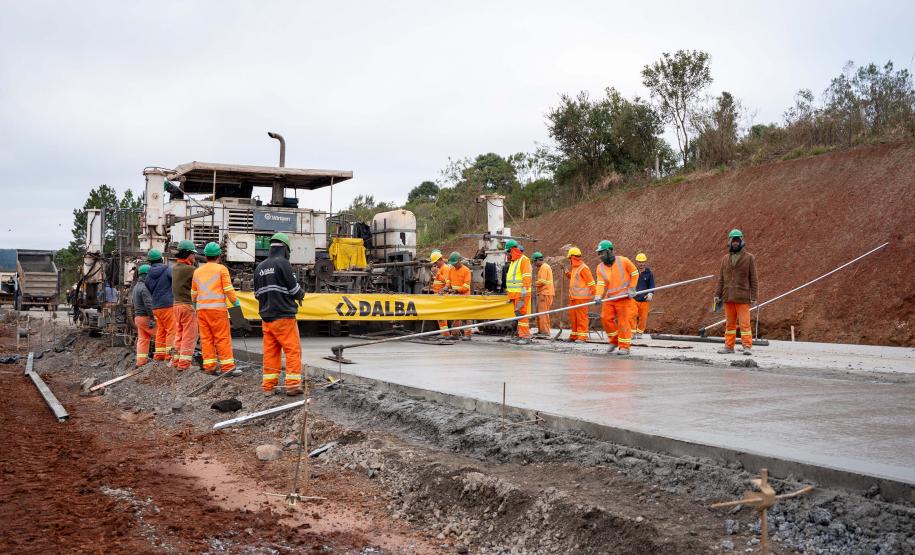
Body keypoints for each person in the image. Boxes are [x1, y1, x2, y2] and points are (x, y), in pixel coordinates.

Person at [254, 233, 305, 396]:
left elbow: (257, 294)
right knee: (292, 350)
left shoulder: (260, 267)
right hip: (284, 317)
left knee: (271, 352)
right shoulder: (284, 264)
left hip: (266, 319)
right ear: (285, 249)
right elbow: (295, 290)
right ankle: (292, 385)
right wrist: (301, 294)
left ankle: (268, 386)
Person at [191, 242, 239, 375]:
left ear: (205, 256)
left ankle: (210, 367)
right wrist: (235, 303)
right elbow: (228, 289)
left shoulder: (197, 271)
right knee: (222, 338)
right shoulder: (221, 269)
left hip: (202, 310)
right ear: (219, 255)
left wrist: (196, 303)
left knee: (206, 339)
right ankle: (227, 367)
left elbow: (194, 295)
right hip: (217, 311)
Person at [715, 229, 758, 356]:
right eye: (733, 240)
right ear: (729, 242)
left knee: (745, 324)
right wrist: (717, 295)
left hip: (742, 297)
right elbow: (721, 279)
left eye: (737, 240)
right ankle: (729, 346)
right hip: (728, 297)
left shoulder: (749, 258)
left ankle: (747, 346)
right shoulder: (724, 259)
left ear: (741, 241)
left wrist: (754, 296)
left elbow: (754, 279)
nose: (735, 243)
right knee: (730, 324)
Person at [594, 240, 639, 355]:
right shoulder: (600, 267)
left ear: (609, 251)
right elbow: (600, 283)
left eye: (602, 253)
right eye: (598, 253)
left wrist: (632, 288)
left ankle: (624, 347)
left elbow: (634, 273)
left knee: (623, 323)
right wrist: (598, 295)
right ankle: (614, 341)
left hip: (624, 298)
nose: (600, 256)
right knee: (605, 318)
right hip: (610, 298)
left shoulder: (623, 261)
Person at [145, 248, 176, 362]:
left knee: (161, 331)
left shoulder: (148, 276)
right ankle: (170, 356)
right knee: (172, 330)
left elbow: (149, 289)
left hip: (156, 307)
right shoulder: (167, 269)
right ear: (161, 259)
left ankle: (159, 356)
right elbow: (175, 281)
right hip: (168, 305)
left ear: (150, 261)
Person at [171, 240, 198, 371]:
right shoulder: (190, 269)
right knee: (189, 336)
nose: (195, 257)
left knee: (179, 334)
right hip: (187, 306)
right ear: (187, 254)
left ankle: (176, 360)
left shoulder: (175, 268)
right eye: (193, 254)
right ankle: (184, 364)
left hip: (176, 306)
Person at [504, 239, 533, 344]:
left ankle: (525, 336)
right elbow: (512, 280)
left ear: (512, 250)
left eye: (508, 251)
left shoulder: (524, 260)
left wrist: (523, 292)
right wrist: (510, 296)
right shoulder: (513, 261)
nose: (507, 254)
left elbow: (526, 277)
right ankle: (520, 335)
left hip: (522, 294)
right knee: (518, 315)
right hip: (515, 294)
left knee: (522, 314)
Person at [563, 247, 594, 342]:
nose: (569, 261)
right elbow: (573, 278)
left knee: (581, 318)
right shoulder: (575, 268)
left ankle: (582, 337)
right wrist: (566, 271)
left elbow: (591, 283)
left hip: (581, 297)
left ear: (573, 258)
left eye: (570, 259)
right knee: (574, 318)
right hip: (574, 297)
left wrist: (596, 295)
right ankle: (574, 335)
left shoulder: (583, 268)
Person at [131, 265, 155, 367]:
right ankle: (161, 360)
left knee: (143, 340)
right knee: (161, 336)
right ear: (146, 275)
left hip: (138, 318)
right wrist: (153, 318)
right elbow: (149, 304)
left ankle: (140, 361)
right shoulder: (144, 288)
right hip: (145, 317)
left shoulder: (136, 287)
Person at [445, 251, 472, 340]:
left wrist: (456, 290)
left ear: (460, 260)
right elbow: (448, 281)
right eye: (453, 264)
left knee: (467, 316)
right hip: (456, 296)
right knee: (456, 315)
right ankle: (455, 334)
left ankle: (468, 335)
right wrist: (446, 287)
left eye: (455, 263)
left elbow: (466, 286)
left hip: (465, 296)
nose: (454, 265)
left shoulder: (466, 270)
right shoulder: (451, 269)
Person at [630, 253, 655, 339]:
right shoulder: (633, 272)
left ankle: (640, 333)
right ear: (636, 262)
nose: (641, 264)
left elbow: (652, 285)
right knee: (632, 315)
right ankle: (632, 333)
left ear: (645, 262)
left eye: (643, 262)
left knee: (643, 317)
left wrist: (650, 294)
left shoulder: (649, 273)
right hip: (634, 298)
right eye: (639, 262)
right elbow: (629, 283)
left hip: (644, 299)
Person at [430, 250, 452, 337]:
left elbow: (447, 282)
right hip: (438, 295)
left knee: (442, 316)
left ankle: (445, 334)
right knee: (440, 316)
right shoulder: (440, 268)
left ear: (440, 260)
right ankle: (444, 333)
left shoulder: (445, 268)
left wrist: (437, 275)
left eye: (435, 262)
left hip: (442, 296)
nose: (435, 264)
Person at [532, 252, 554, 337]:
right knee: (540, 313)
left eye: (534, 262)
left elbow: (542, 281)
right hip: (544, 293)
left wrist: (533, 283)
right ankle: (541, 330)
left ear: (538, 260)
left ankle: (545, 331)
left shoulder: (544, 267)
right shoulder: (544, 267)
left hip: (545, 293)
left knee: (543, 313)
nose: (534, 264)